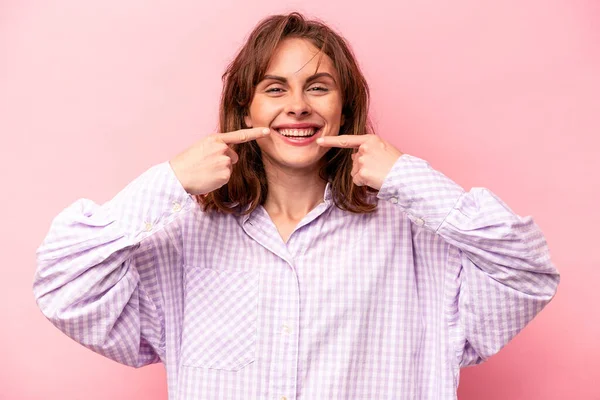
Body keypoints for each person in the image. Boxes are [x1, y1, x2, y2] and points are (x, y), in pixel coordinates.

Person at [33, 11, 560, 400]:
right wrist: (171, 182)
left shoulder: (417, 240)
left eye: (319, 87)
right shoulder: (181, 237)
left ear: (345, 107)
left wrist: (408, 178)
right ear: (246, 107)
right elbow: (62, 286)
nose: (298, 106)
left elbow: (529, 273)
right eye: (275, 88)